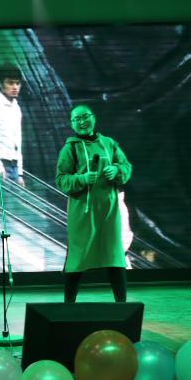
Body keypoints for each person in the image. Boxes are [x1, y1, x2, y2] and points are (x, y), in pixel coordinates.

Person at [55, 105, 132, 303]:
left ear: (94, 118)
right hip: (82, 212)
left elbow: (126, 167)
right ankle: (68, 306)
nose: (82, 122)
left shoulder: (109, 143)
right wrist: (81, 179)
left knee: (115, 256)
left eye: (85, 117)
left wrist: (117, 170)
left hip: (109, 211)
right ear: (72, 124)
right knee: (77, 258)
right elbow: (61, 180)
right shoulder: (70, 148)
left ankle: (122, 305)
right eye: (77, 119)